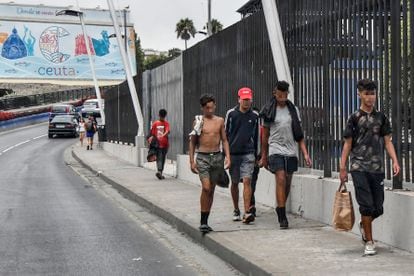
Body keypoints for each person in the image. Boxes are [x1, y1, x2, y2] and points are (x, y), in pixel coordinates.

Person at [340, 79, 400, 256]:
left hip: (377, 168)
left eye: (373, 94)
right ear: (359, 94)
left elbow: (388, 142)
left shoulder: (381, 118)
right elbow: (347, 144)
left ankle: (364, 224)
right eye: (366, 93)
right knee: (366, 206)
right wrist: (343, 168)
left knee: (378, 208)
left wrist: (395, 161)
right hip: (358, 167)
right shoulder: (354, 118)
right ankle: (370, 242)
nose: (370, 97)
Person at [259, 81, 312, 229]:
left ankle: (280, 206)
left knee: (287, 182)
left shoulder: (293, 110)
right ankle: (282, 216)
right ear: (275, 93)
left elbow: (299, 134)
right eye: (279, 95)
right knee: (281, 178)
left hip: (291, 150)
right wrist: (264, 156)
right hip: (275, 149)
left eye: (285, 95)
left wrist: (305, 154)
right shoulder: (269, 110)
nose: (282, 98)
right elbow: (264, 135)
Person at [189, 94, 231, 233]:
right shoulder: (198, 121)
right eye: (207, 108)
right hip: (203, 158)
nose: (210, 110)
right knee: (206, 188)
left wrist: (228, 157)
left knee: (211, 190)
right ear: (202, 108)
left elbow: (224, 140)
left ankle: (205, 221)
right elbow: (193, 142)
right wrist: (191, 161)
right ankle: (202, 220)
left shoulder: (219, 121)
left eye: (212, 107)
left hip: (217, 157)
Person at [225, 87, 260, 224]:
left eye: (248, 99)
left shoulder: (255, 116)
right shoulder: (231, 114)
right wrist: (225, 154)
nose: (246, 102)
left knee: (247, 181)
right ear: (239, 99)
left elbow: (257, 135)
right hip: (233, 153)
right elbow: (225, 134)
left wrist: (258, 155)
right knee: (234, 182)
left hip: (248, 153)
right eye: (244, 99)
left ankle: (247, 212)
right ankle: (236, 209)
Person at [149, 109, 170, 180]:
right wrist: (163, 135)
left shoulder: (155, 123)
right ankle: (160, 172)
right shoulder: (166, 123)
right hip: (165, 143)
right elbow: (167, 131)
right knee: (162, 158)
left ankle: (159, 171)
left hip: (157, 143)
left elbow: (152, 134)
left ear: (159, 115)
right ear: (165, 115)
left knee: (159, 158)